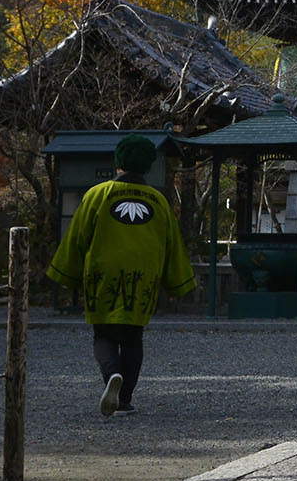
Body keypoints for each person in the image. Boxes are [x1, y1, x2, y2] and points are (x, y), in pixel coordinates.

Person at [46, 135, 196, 416]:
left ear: (117, 162)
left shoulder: (97, 194)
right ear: (148, 166)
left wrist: (66, 274)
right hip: (143, 276)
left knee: (103, 333)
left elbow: (77, 237)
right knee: (132, 336)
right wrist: (177, 282)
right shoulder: (159, 200)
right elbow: (172, 244)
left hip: (103, 273)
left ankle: (111, 375)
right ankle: (124, 399)